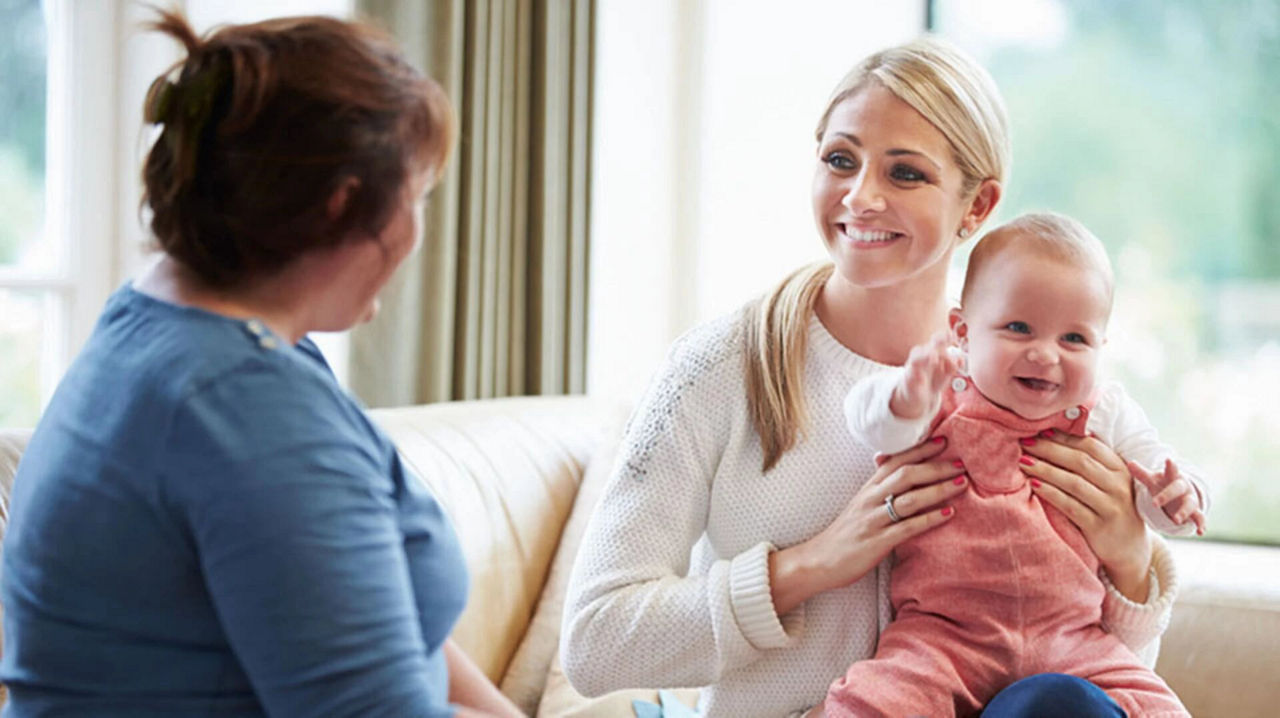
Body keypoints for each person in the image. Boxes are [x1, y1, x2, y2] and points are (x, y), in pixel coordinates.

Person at [561, 37, 1180, 718]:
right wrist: (811, 566)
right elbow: (593, 643)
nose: (861, 197)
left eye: (905, 174)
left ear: (978, 206)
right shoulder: (717, 370)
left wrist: (1128, 563)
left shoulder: (1033, 378)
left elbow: (1088, 681)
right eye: (840, 160)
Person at [0, 11, 519, 718]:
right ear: (344, 205)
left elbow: (373, 625)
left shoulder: (165, 328)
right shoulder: (246, 407)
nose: (419, 233)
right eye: (418, 197)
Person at [828, 212, 1205, 716]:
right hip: (945, 638)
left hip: (1073, 641)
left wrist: (1178, 495)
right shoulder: (941, 394)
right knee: (873, 702)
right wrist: (906, 395)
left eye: (1074, 339)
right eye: (1019, 328)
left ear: (1101, 348)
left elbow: (1154, 477)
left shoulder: (1105, 412)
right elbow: (870, 422)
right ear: (962, 331)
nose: (1045, 354)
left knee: (1159, 708)